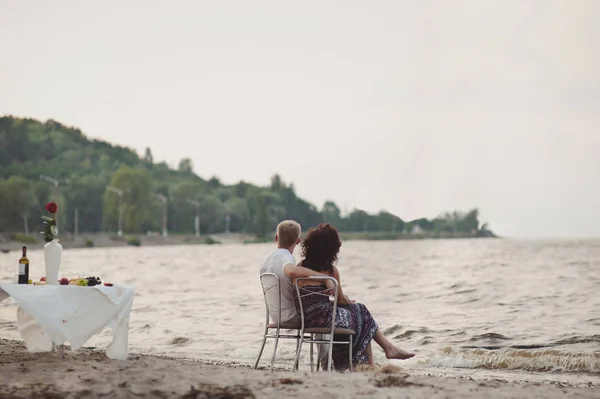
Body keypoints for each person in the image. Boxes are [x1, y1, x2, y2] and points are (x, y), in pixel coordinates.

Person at [293, 223, 415, 371]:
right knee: (360, 312)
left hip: (307, 318)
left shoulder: (300, 267)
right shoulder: (330, 271)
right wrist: (346, 299)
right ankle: (376, 356)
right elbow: (340, 301)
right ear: (331, 250)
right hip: (325, 319)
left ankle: (370, 358)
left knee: (358, 314)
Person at [260, 220, 333, 324]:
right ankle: (324, 339)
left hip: (276, 317)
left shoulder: (266, 260)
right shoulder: (286, 257)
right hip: (293, 317)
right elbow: (290, 271)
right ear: (298, 241)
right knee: (322, 312)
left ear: (276, 238)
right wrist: (323, 276)